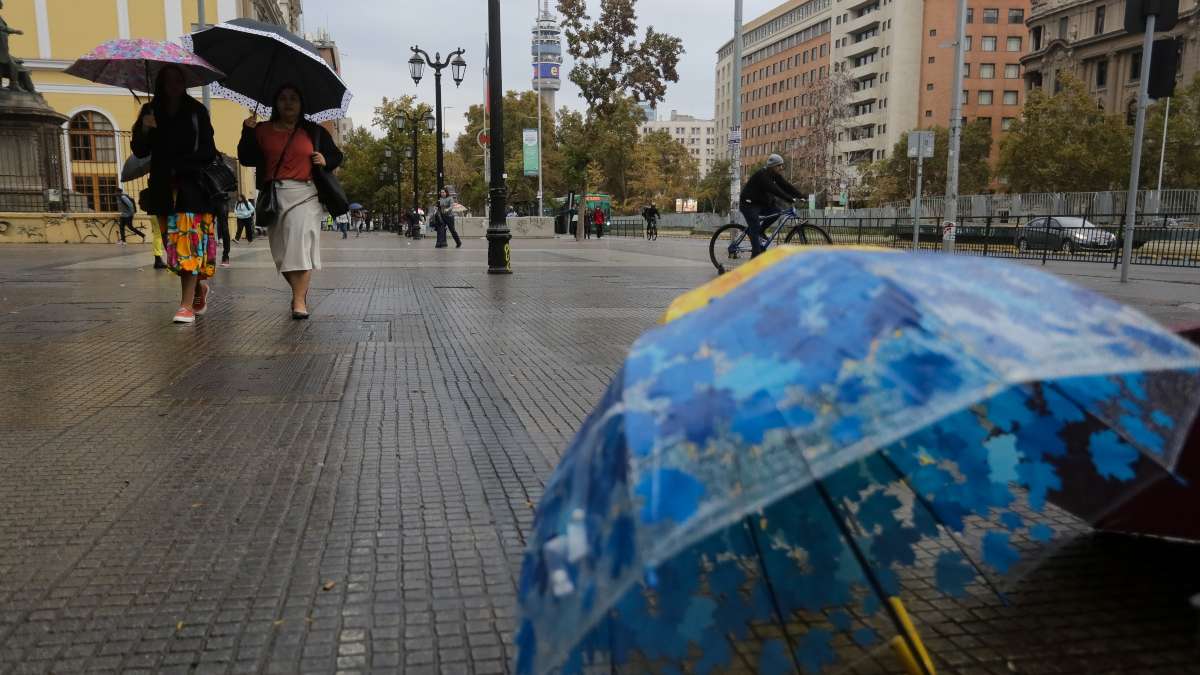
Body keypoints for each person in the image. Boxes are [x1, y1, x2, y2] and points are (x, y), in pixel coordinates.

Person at [238, 83, 343, 320]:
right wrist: (247, 131)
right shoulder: (262, 129)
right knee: (282, 254)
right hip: (274, 196)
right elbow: (246, 158)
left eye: (293, 98)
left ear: (301, 104)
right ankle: (299, 292)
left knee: (300, 245)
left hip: (306, 194)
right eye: (283, 98)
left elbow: (337, 155)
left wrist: (325, 159)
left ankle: (298, 300)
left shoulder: (314, 132)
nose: (288, 103)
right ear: (275, 103)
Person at [130, 64, 219, 324]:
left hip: (190, 187)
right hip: (161, 188)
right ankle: (199, 288)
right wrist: (145, 128)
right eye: (167, 81)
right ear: (160, 84)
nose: (173, 86)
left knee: (186, 245)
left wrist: (182, 164)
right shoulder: (150, 111)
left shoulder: (196, 111)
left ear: (184, 83)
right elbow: (139, 151)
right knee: (173, 248)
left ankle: (185, 305)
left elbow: (209, 151)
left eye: (177, 80)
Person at [740, 153, 804, 258]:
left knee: (776, 211)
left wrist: (801, 196)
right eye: (779, 166)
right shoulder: (762, 175)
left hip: (760, 203)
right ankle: (755, 257)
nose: (781, 168)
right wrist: (789, 198)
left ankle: (761, 231)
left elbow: (786, 186)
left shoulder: (775, 175)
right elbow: (775, 190)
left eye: (781, 165)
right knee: (754, 226)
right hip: (748, 204)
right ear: (773, 166)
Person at [214, 192, 231, 267]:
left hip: (221, 198)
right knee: (205, 227)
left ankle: (226, 256)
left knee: (224, 227)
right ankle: (207, 256)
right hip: (208, 196)